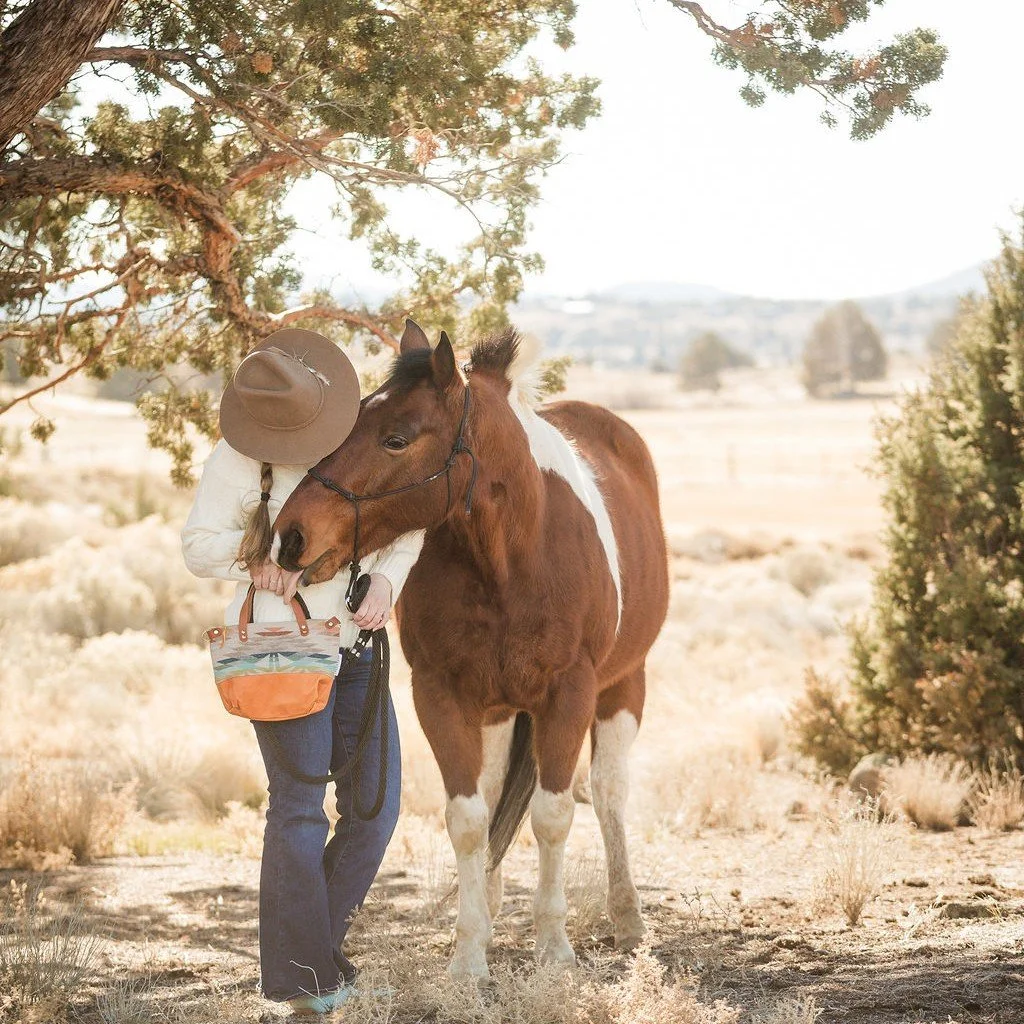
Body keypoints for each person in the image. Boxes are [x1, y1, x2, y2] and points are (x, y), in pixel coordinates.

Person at [181, 329, 423, 1015]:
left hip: (360, 648)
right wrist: (256, 554)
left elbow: (406, 528)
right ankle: (301, 980)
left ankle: (308, 953)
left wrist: (385, 583)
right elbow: (197, 545)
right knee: (297, 810)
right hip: (281, 648)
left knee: (375, 810)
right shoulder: (238, 459)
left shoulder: (361, 436)